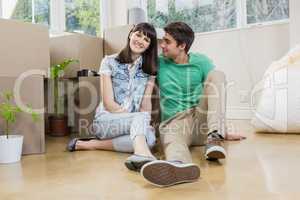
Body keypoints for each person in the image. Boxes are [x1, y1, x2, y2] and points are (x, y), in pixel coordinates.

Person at [140, 22, 245, 187]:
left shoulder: (201, 61)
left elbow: (215, 91)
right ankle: (179, 167)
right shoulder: (158, 63)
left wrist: (221, 127)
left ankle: (215, 137)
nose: (162, 45)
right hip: (175, 122)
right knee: (173, 144)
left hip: (200, 120)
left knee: (217, 75)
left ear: (182, 45)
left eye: (167, 41)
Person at [67, 23, 158, 172]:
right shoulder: (109, 61)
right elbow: (109, 104)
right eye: (138, 35)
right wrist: (138, 118)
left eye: (147, 40)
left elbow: (145, 103)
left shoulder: (149, 69)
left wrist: (145, 121)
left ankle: (91, 144)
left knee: (151, 139)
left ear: (149, 45)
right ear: (130, 35)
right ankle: (145, 156)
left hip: (133, 122)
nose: (141, 41)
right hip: (107, 121)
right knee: (142, 127)